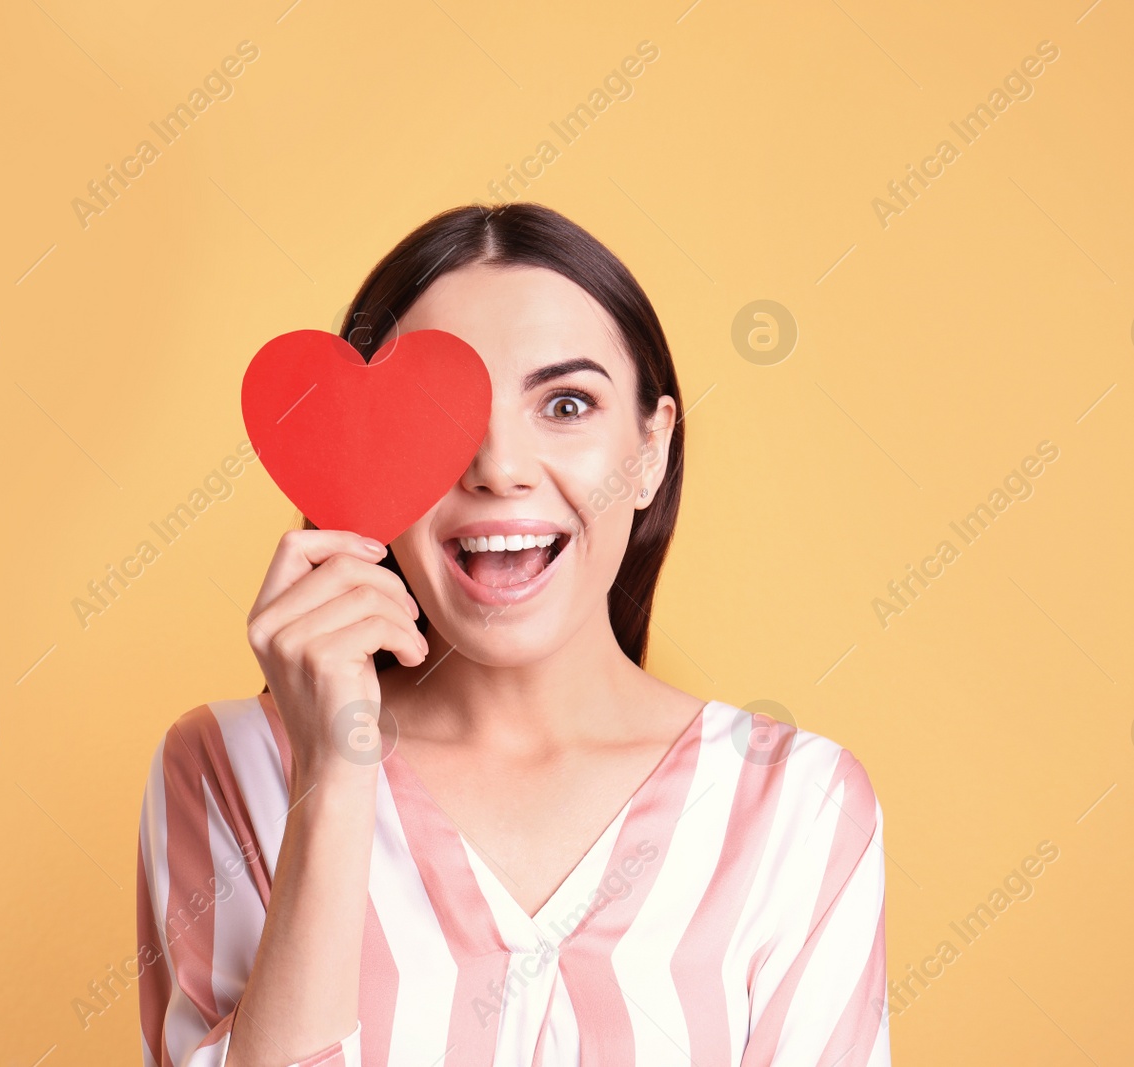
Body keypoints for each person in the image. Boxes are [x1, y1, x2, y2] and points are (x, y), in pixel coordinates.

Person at [135, 202, 889, 1066]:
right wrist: (334, 776)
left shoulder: (798, 805)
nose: (497, 467)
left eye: (566, 404)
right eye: (431, 411)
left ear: (651, 450)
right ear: (357, 464)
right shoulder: (223, 771)